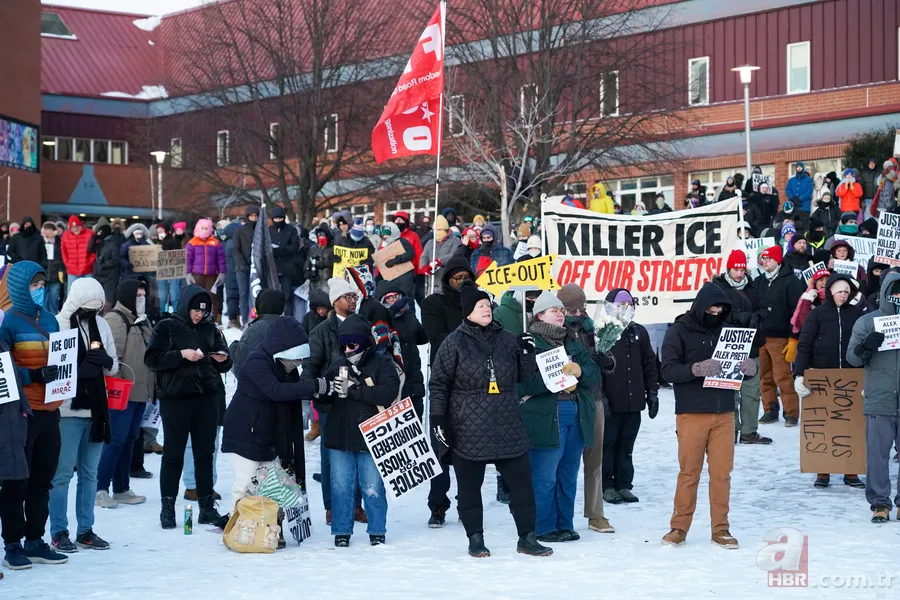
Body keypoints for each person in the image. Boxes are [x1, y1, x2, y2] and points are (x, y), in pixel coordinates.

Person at [429, 282, 553, 558]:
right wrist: (438, 418)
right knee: (470, 488)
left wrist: (527, 352)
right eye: (480, 306)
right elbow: (438, 384)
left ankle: (527, 538)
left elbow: (525, 377)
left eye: (488, 305)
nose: (486, 309)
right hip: (467, 426)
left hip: (508, 422)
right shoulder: (454, 342)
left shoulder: (508, 338)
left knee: (522, 486)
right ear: (468, 312)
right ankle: (475, 538)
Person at [661, 283, 748, 549]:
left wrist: (750, 367)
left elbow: (744, 361)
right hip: (691, 412)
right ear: (700, 306)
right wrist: (697, 368)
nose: (716, 312)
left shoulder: (729, 332)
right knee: (689, 473)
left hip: (724, 412)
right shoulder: (678, 332)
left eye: (721, 308)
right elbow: (667, 371)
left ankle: (721, 528)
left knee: (722, 474)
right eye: (712, 307)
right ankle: (679, 527)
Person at [144, 286, 232, 530]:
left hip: (207, 398)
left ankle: (206, 506)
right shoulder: (166, 327)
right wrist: (180, 354)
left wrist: (223, 358)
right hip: (176, 399)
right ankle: (168, 507)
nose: (198, 315)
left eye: (203, 311)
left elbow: (226, 361)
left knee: (205, 454)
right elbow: (151, 360)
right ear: (185, 306)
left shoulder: (211, 328)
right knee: (173, 454)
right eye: (195, 310)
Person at [0, 261, 68, 569]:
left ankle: (35, 539)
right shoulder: (9, 324)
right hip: (22, 415)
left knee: (43, 480)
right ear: (18, 287)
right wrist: (35, 375)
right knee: (16, 481)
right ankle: (12, 543)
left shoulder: (52, 320)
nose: (40, 290)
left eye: (42, 284)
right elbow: (5, 372)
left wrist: (67, 375)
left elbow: (61, 358)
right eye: (33, 285)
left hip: (51, 411)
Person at [517, 291, 600, 543]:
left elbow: (594, 371)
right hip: (545, 414)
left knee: (568, 473)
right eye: (554, 310)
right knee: (545, 475)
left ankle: (565, 523)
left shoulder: (571, 341)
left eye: (562, 311)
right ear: (540, 314)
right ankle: (543, 526)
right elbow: (523, 383)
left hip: (575, 412)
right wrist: (555, 382)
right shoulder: (527, 342)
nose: (560, 315)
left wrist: (580, 373)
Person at [223, 317, 323, 510]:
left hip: (269, 435)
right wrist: (313, 385)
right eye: (297, 357)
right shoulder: (257, 361)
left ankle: (268, 529)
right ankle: (239, 530)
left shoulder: (285, 367)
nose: (299, 362)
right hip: (246, 434)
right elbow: (276, 391)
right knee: (246, 486)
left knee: (271, 487)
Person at [317, 315, 399, 547]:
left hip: (371, 435)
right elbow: (323, 403)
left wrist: (355, 389)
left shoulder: (382, 362)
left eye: (352, 345)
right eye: (343, 346)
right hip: (339, 435)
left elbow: (387, 393)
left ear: (364, 341)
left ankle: (377, 529)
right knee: (341, 487)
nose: (348, 350)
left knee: (372, 485)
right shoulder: (336, 364)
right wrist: (324, 391)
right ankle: (341, 530)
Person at [49, 278, 118, 553]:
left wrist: (106, 362)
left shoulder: (101, 325)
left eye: (95, 309)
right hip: (67, 409)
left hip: (97, 409)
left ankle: (86, 529)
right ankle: (58, 530)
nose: (90, 314)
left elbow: (113, 367)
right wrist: (80, 371)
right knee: (62, 473)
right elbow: (55, 371)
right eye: (86, 309)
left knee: (90, 474)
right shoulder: (59, 324)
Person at [793, 274, 868, 489]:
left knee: (851, 425)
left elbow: (865, 345)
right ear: (831, 292)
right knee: (823, 425)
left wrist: (867, 377)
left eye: (846, 291)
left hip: (851, 378)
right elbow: (804, 344)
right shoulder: (817, 315)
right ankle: (822, 470)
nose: (843, 295)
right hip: (822, 377)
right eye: (839, 291)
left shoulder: (857, 315)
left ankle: (851, 471)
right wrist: (799, 374)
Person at [300, 278, 365, 526]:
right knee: (331, 456)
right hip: (330, 403)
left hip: (359, 401)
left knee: (359, 454)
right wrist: (309, 397)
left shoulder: (363, 325)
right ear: (335, 301)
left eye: (354, 297)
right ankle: (332, 506)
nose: (352, 301)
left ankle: (356, 505)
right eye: (348, 297)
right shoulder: (321, 332)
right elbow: (310, 366)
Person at [421, 256, 476, 523]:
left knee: (470, 448)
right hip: (444, 382)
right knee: (440, 445)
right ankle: (437, 505)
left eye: (467, 278)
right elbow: (438, 338)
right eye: (458, 278)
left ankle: (467, 505)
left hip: (473, 385)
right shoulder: (434, 303)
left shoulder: (480, 302)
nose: (463, 283)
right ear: (447, 280)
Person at [846, 271, 900, 523]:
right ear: (887, 292)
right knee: (877, 455)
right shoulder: (868, 322)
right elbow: (852, 359)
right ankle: (880, 503)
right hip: (879, 398)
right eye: (896, 291)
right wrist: (866, 346)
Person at [97, 279, 155, 506]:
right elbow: (113, 358)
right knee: (116, 440)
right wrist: (120, 383)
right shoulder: (116, 319)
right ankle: (101, 488)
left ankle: (122, 487)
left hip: (141, 391)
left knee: (130, 439)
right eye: (137, 295)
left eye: (144, 294)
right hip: (122, 393)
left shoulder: (142, 320)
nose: (141, 299)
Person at [600, 289, 658, 504]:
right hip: (611, 402)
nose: (625, 309)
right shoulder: (602, 332)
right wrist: (602, 398)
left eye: (629, 305)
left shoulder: (639, 332)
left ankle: (624, 484)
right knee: (609, 443)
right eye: (620, 305)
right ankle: (606, 485)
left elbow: (649, 363)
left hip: (634, 401)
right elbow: (597, 367)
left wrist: (652, 392)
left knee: (627, 444)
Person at [711, 250, 771, 445]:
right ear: (729, 268)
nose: (739, 272)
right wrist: (735, 318)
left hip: (751, 347)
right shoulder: (717, 288)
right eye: (736, 269)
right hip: (728, 348)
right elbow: (711, 314)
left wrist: (756, 316)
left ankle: (749, 432)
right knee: (731, 392)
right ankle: (731, 430)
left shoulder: (754, 287)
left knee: (751, 392)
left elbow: (765, 308)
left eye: (742, 268)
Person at [750, 245, 805, 426]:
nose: (764, 262)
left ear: (778, 260)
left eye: (768, 259)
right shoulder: (759, 281)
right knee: (764, 377)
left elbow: (797, 312)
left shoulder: (791, 281)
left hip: (780, 337)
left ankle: (791, 413)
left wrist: (793, 337)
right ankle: (770, 410)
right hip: (760, 337)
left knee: (783, 377)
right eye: (763, 259)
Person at [0, 329, 31, 568]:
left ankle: (13, 544)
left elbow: (13, 380)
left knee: (13, 485)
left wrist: (24, 410)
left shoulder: (2, 344)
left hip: (11, 425)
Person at [376, 280, 427, 416]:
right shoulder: (379, 319)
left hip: (414, 382)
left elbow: (422, 338)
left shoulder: (408, 314)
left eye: (397, 297)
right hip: (394, 386)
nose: (395, 300)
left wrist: (427, 319)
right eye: (390, 298)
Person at [185, 219, 226, 322]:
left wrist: (222, 273)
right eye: (202, 228)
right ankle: (196, 319)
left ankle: (213, 319)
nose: (204, 230)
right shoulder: (192, 243)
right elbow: (188, 259)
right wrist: (188, 273)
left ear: (210, 229)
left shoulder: (216, 243)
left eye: (206, 228)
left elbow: (221, 259)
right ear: (198, 228)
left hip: (212, 275)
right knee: (197, 297)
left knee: (212, 298)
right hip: (197, 275)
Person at [265, 207, 299, 318]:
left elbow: (294, 247)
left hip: (287, 268)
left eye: (280, 218)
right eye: (276, 219)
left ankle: (288, 317)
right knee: (272, 295)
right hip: (272, 268)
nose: (278, 221)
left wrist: (279, 249)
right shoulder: (269, 230)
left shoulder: (291, 230)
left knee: (287, 296)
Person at [420, 214, 461, 294]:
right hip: (433, 283)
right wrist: (424, 267)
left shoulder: (455, 241)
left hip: (448, 279)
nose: (436, 232)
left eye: (439, 230)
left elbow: (454, 254)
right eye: (435, 230)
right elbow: (424, 256)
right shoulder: (430, 243)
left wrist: (440, 261)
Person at [233, 207, 259, 324]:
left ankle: (257, 317)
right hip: (242, 268)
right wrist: (242, 263)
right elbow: (236, 249)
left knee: (256, 293)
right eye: (251, 216)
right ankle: (244, 320)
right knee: (244, 294)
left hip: (257, 267)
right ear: (247, 217)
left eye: (255, 216)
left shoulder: (260, 231)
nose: (253, 218)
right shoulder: (239, 231)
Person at [377, 223, 416, 300]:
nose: (385, 237)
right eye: (384, 235)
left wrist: (396, 259)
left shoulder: (402, 241)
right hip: (391, 278)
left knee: (406, 300)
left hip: (405, 278)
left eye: (387, 235)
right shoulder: (383, 245)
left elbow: (411, 254)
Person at [60, 215, 94, 293]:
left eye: (77, 227)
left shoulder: (90, 234)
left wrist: (89, 262)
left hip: (87, 270)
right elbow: (63, 252)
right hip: (72, 270)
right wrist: (68, 264)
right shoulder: (65, 235)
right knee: (72, 294)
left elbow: (94, 251)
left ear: (81, 225)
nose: (75, 229)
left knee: (88, 293)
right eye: (72, 228)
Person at [155, 221, 182, 313]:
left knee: (174, 295)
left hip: (173, 272)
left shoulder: (174, 242)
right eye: (158, 231)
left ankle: (176, 314)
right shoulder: (156, 243)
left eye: (161, 231)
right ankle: (162, 314)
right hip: (161, 272)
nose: (159, 233)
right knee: (162, 296)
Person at [92, 225, 121, 308]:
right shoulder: (100, 242)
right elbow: (90, 248)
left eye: (100, 232)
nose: (99, 233)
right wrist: (94, 237)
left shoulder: (113, 243)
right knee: (99, 298)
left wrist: (103, 265)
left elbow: (115, 260)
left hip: (110, 276)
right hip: (99, 274)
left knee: (109, 299)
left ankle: (109, 316)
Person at [40, 223, 64, 316]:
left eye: (50, 229)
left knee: (54, 297)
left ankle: (54, 315)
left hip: (55, 273)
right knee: (43, 298)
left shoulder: (58, 242)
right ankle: (44, 316)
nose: (48, 232)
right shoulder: (40, 241)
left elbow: (61, 256)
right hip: (43, 274)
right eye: (46, 229)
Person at [305, 225, 337, 293]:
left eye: (323, 235)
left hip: (328, 284)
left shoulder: (334, 249)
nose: (321, 237)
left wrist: (326, 264)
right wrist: (307, 272)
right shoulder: (313, 249)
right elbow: (307, 262)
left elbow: (338, 265)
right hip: (314, 283)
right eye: (319, 235)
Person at [221, 221, 241, 327]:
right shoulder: (237, 243)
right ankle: (236, 319)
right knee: (240, 296)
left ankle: (232, 319)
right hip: (238, 272)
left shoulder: (225, 243)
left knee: (231, 297)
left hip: (229, 274)